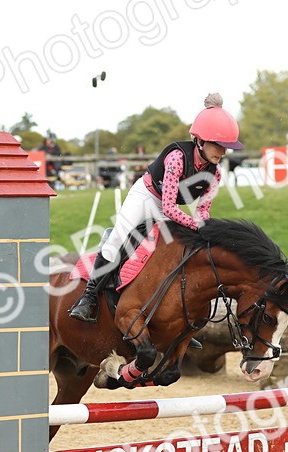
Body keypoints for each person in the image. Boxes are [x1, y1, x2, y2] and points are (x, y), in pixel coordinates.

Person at [68, 92, 242, 323]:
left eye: (225, 147)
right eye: (217, 145)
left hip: (167, 206)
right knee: (119, 238)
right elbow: (169, 208)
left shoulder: (215, 174)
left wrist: (205, 229)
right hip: (146, 196)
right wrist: (197, 225)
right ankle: (89, 297)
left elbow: (202, 212)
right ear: (200, 141)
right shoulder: (177, 158)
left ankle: (175, 318)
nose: (222, 152)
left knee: (177, 249)